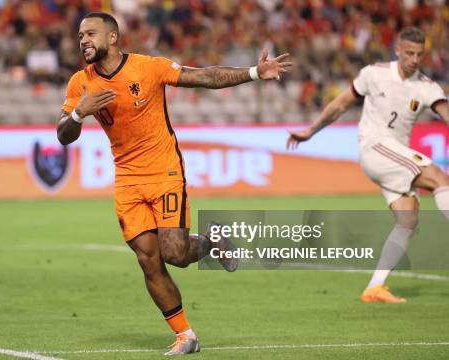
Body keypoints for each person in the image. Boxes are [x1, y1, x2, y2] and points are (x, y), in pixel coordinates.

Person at [57, 12, 292, 355]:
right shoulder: (81, 82)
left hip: (164, 170)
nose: (82, 40)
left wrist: (255, 72)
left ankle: (213, 241)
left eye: (90, 33)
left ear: (112, 37)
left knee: (176, 253)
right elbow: (63, 135)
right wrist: (79, 113)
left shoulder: (148, 67)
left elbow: (204, 77)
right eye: (80, 35)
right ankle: (186, 336)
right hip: (127, 180)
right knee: (148, 261)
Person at [287, 27, 448, 304]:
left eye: (420, 54)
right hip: (374, 146)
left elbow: (445, 112)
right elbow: (340, 105)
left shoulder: (426, 86)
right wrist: (310, 131)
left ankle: (375, 287)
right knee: (440, 179)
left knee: (407, 220)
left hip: (395, 155)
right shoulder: (374, 74)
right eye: (409, 53)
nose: (414, 59)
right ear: (397, 50)